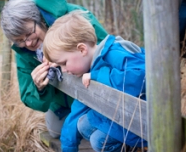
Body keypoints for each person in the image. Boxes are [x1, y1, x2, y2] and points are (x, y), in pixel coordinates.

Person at [0, 0, 108, 141]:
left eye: (29, 33)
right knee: (55, 130)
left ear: (38, 18)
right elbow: (28, 97)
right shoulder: (23, 50)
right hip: (61, 105)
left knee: (95, 132)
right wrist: (39, 88)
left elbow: (106, 52)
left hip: (92, 95)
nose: (28, 43)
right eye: (20, 40)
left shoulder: (77, 18)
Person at [43, 11, 147, 152]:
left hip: (143, 123)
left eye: (63, 63)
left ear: (81, 49)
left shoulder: (112, 54)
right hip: (119, 117)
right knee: (83, 124)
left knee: (98, 141)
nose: (64, 70)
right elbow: (75, 114)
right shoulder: (86, 71)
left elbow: (141, 75)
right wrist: (68, 148)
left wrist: (98, 75)